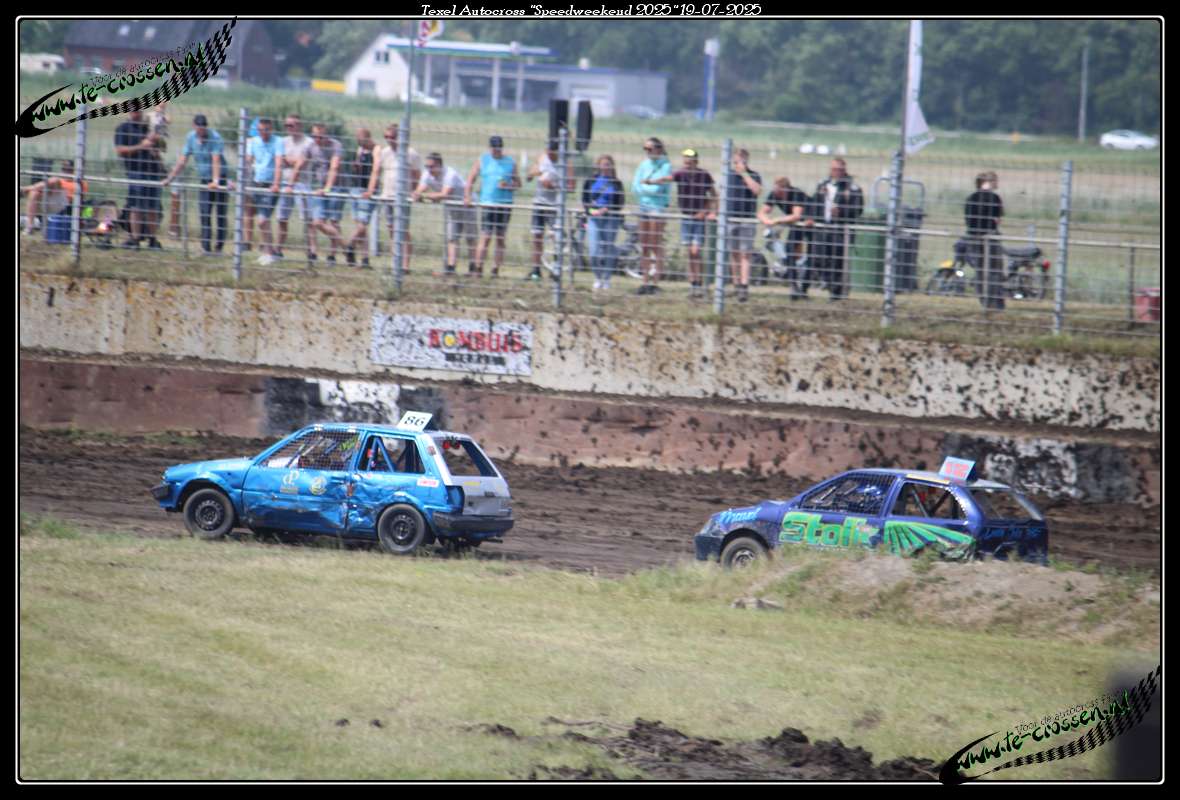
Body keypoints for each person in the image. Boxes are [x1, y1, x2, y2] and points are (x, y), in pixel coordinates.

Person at [645, 148, 717, 299]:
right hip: (686, 217)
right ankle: (693, 284)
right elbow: (667, 178)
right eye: (685, 159)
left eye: (690, 159)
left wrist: (706, 212)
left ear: (696, 161)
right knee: (689, 252)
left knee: (696, 251)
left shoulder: (704, 175)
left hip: (699, 218)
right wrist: (651, 181)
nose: (687, 162)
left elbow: (713, 196)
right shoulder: (681, 174)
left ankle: (700, 282)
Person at [162, 114, 228, 256]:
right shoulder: (191, 138)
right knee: (204, 213)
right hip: (204, 180)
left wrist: (216, 181)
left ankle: (219, 248)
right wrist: (170, 178)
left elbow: (216, 159)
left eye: (203, 129)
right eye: (198, 129)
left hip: (219, 179)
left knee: (220, 215)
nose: (201, 132)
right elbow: (182, 160)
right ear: (194, 126)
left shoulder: (215, 138)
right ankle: (206, 248)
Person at [364, 123, 422, 272]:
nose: (389, 140)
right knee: (391, 229)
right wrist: (370, 190)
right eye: (386, 137)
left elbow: (417, 176)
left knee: (402, 230)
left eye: (392, 137)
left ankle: (405, 265)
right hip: (387, 196)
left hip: (402, 198)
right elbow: (376, 172)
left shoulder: (411, 153)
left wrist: (415, 192)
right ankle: (395, 262)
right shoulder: (384, 152)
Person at [465, 135, 520, 278]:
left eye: (499, 147)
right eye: (494, 147)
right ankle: (478, 268)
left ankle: (495, 269)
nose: (497, 150)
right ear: (490, 147)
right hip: (488, 203)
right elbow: (471, 178)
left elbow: (518, 183)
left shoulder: (510, 162)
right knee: (486, 236)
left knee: (500, 237)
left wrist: (508, 185)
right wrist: (467, 196)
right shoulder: (483, 160)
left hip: (504, 204)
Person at [412, 152, 476, 276]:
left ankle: (473, 268)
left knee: (470, 238)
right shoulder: (427, 174)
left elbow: (444, 194)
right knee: (452, 237)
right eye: (427, 166)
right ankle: (451, 268)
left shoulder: (450, 174)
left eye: (432, 166)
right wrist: (417, 194)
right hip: (451, 207)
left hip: (467, 205)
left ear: (440, 165)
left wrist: (423, 195)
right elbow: (419, 190)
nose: (429, 169)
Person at [812, 157, 864, 301]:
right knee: (818, 258)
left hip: (840, 230)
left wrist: (841, 212)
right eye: (834, 169)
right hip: (823, 227)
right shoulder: (822, 184)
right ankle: (827, 282)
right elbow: (814, 203)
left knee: (836, 262)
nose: (836, 172)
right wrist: (811, 217)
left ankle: (835, 293)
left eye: (839, 169)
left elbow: (858, 209)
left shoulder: (852, 188)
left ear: (844, 170)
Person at [114, 109, 165, 251]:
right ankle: (135, 238)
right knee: (136, 207)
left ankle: (152, 239)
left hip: (153, 172)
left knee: (153, 207)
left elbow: (161, 148)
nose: (137, 114)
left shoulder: (147, 128)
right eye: (134, 111)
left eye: (139, 111)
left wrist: (156, 143)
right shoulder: (123, 128)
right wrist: (141, 146)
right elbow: (120, 150)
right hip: (136, 171)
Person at [758, 176, 812, 300]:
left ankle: (804, 288)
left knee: (813, 255)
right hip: (798, 225)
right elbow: (761, 212)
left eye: (778, 189)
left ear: (785, 189)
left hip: (812, 222)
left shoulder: (796, 193)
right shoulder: (774, 194)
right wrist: (767, 221)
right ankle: (794, 286)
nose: (775, 191)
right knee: (789, 250)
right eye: (775, 188)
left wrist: (776, 220)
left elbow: (796, 215)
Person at [632, 137, 673, 295]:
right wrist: (646, 186)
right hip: (643, 206)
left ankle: (655, 282)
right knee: (645, 245)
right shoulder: (643, 165)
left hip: (657, 208)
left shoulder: (666, 166)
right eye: (645, 149)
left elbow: (658, 189)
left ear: (658, 149)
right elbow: (635, 187)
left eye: (650, 149)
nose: (647, 152)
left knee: (655, 244)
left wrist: (645, 186)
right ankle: (645, 281)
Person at [581, 154, 626, 293]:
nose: (606, 167)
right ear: (599, 165)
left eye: (608, 164)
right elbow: (585, 199)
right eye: (603, 164)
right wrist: (591, 211)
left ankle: (606, 278)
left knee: (608, 249)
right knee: (593, 251)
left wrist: (607, 208)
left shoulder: (616, 183)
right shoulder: (591, 181)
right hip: (594, 219)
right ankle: (597, 277)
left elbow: (620, 202)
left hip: (611, 219)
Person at [243, 118, 284, 266]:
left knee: (262, 220)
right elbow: (248, 162)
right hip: (256, 183)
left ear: (271, 129)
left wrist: (276, 183)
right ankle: (269, 252)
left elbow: (279, 164)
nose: (263, 133)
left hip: (270, 185)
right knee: (261, 221)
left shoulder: (278, 142)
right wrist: (242, 180)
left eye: (266, 130)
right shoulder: (253, 142)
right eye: (260, 130)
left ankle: (269, 253)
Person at [724, 148, 762, 303]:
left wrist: (744, 174)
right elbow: (721, 194)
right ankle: (736, 285)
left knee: (745, 254)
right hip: (730, 219)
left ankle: (744, 287)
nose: (738, 164)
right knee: (733, 253)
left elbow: (757, 191)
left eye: (741, 161)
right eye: (736, 161)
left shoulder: (754, 175)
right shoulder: (728, 175)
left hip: (747, 220)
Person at [275, 113, 314, 262]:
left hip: (302, 184)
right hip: (285, 183)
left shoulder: (308, 142)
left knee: (307, 219)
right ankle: (278, 250)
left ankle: (312, 251)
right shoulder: (283, 141)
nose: (288, 128)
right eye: (286, 125)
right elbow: (281, 160)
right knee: (281, 218)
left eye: (291, 125)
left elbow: (301, 163)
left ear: (299, 125)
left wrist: (291, 161)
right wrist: (293, 161)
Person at [305, 123, 346, 265]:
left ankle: (332, 256)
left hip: (336, 187)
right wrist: (291, 183)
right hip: (319, 187)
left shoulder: (336, 145)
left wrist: (327, 188)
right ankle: (345, 246)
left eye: (320, 136)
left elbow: (334, 167)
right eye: (314, 136)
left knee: (334, 221)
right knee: (316, 222)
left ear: (326, 135)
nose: (317, 139)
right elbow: (302, 162)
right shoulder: (311, 146)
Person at [965, 170, 1005, 311]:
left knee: (980, 270)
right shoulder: (995, 198)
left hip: (974, 237)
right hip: (990, 237)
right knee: (995, 270)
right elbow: (998, 219)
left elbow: (968, 220)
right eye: (995, 180)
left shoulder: (971, 198)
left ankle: (984, 301)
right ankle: (996, 302)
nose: (997, 183)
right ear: (988, 182)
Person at [525, 139, 561, 282]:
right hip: (539, 203)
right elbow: (529, 175)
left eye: (552, 151)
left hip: (554, 206)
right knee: (537, 236)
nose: (549, 154)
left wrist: (553, 186)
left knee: (556, 237)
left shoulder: (564, 163)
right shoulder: (542, 158)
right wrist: (535, 172)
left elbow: (570, 186)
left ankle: (556, 268)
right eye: (548, 150)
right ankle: (536, 270)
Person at [21, 160, 88, 235]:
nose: (66, 172)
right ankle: (29, 227)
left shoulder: (79, 183)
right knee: (34, 193)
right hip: (49, 203)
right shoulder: (61, 179)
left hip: (65, 206)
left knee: (55, 180)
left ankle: (25, 189)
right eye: (64, 169)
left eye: (69, 170)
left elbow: (79, 201)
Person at [342, 127, 376, 268]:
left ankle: (349, 245)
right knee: (360, 227)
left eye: (360, 138)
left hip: (367, 190)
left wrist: (371, 190)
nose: (358, 141)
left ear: (367, 137)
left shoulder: (376, 150)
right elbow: (359, 167)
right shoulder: (360, 150)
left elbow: (376, 170)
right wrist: (356, 166)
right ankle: (365, 259)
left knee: (362, 225)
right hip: (356, 188)